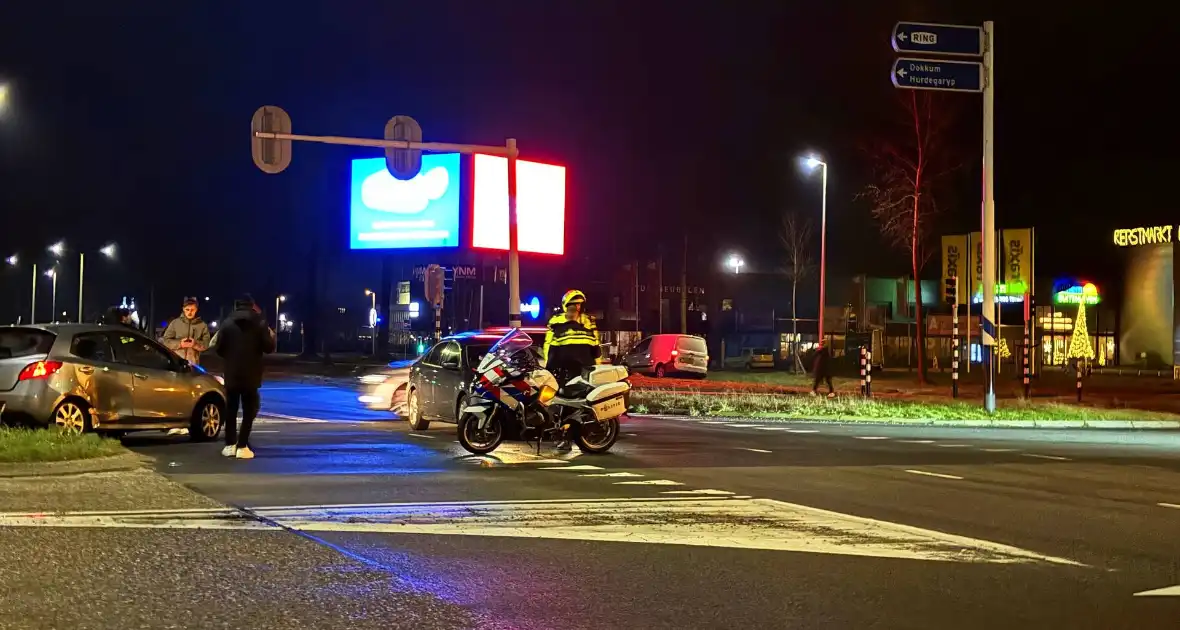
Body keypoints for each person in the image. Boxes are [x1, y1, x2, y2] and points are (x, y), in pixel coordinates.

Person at [213, 295, 276, 459]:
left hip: (232, 372)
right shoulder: (260, 323)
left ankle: (230, 444)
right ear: (252, 306)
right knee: (249, 410)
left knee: (231, 409)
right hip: (252, 373)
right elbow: (269, 347)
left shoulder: (227, 323)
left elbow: (218, 348)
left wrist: (230, 356)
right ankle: (242, 445)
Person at [542, 289, 601, 451]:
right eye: (573, 305)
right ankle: (559, 433)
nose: (576, 308)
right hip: (564, 370)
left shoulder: (588, 321)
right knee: (558, 403)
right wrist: (549, 368)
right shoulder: (556, 321)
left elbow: (596, 347)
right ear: (565, 306)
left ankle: (566, 437)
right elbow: (549, 346)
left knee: (571, 406)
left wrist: (597, 369)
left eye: (579, 305)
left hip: (584, 371)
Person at [161, 298, 212, 437]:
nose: (190, 312)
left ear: (196, 310)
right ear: (183, 309)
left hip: (193, 364)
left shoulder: (202, 325)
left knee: (190, 394)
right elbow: (165, 341)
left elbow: (207, 344)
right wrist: (180, 344)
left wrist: (195, 344)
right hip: (175, 364)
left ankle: (186, 422)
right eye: (187, 310)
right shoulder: (175, 323)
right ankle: (173, 423)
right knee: (173, 393)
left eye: (192, 310)